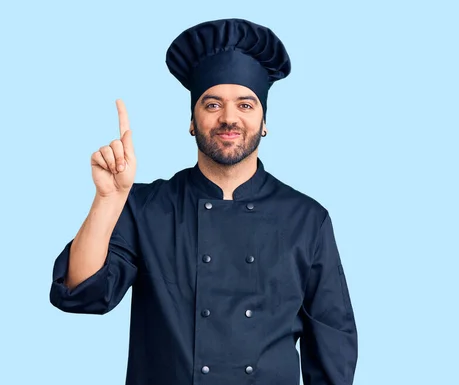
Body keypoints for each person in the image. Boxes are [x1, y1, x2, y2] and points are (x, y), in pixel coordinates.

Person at [49, 18, 358, 385]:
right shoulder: (145, 207)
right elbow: (82, 294)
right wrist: (107, 198)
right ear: (192, 120)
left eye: (245, 105)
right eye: (212, 104)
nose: (229, 118)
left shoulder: (307, 219)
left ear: (263, 121)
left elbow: (333, 348)